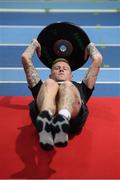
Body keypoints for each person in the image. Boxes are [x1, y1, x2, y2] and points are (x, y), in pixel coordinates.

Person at [21, 39, 102, 150]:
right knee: (50, 84)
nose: (61, 70)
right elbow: (25, 58)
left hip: (72, 121)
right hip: (43, 111)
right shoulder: (44, 86)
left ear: (71, 75)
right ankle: (46, 120)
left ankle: (62, 119)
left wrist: (90, 46)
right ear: (50, 74)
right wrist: (34, 44)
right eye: (57, 68)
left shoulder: (81, 88)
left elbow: (97, 59)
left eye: (65, 68)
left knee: (67, 86)